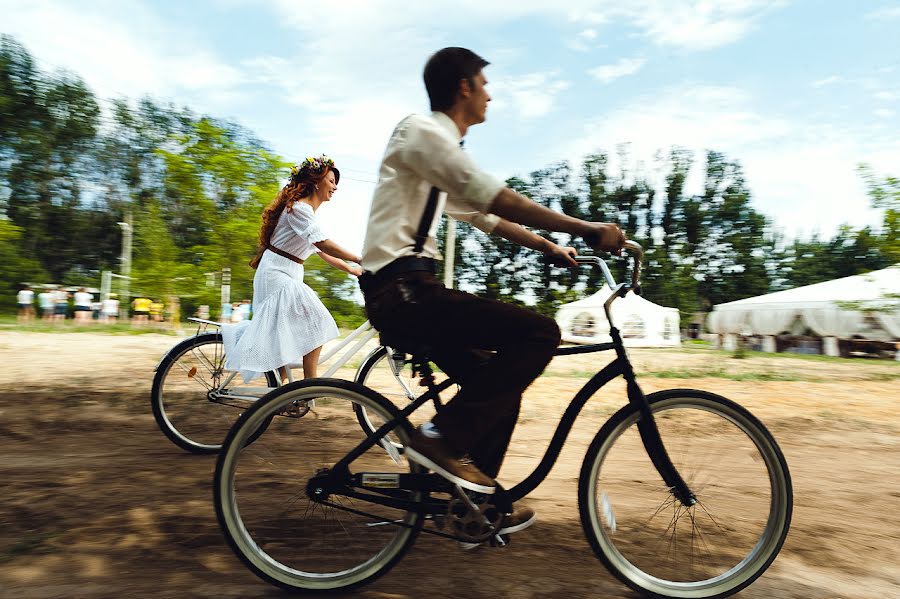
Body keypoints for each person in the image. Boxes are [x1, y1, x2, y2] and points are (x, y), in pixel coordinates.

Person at [358, 47, 626, 541]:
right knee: (539, 332)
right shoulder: (420, 131)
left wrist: (549, 246)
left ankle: (471, 506)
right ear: (463, 87)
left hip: (410, 291)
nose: (489, 93)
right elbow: (493, 196)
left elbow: (485, 215)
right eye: (483, 83)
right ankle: (439, 443)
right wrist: (584, 227)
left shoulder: (439, 153)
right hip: (403, 291)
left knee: (498, 388)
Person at [223, 155, 362, 385]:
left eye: (336, 183)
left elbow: (323, 253)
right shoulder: (298, 209)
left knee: (285, 336)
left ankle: (283, 392)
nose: (335, 187)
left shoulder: (306, 214)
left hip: (286, 273)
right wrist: (359, 257)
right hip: (276, 274)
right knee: (317, 320)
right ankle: (308, 386)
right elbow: (324, 244)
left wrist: (354, 270)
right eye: (331, 181)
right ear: (316, 181)